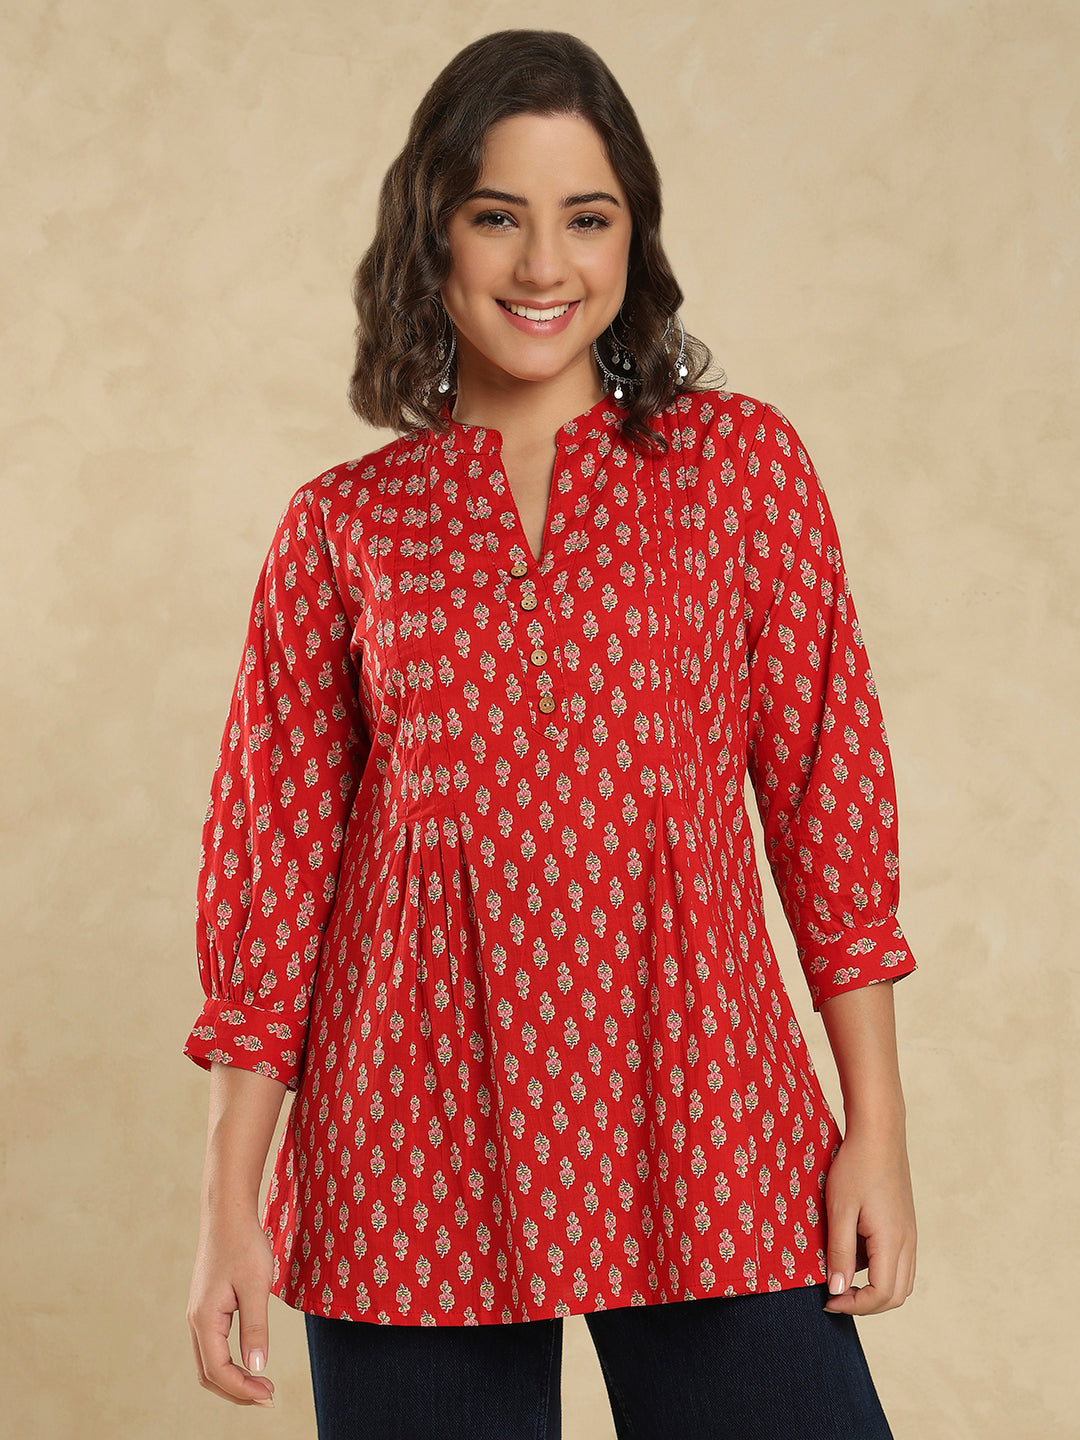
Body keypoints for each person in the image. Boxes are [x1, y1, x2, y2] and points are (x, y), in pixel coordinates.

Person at [184, 28, 919, 1440]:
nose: (542, 265)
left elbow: (827, 800)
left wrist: (873, 1129)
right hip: (408, 1149)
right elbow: (273, 871)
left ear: (634, 236)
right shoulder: (345, 526)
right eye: (495, 216)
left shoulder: (739, 471)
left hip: (707, 1118)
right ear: (431, 234)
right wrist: (230, 1204)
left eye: (587, 218)